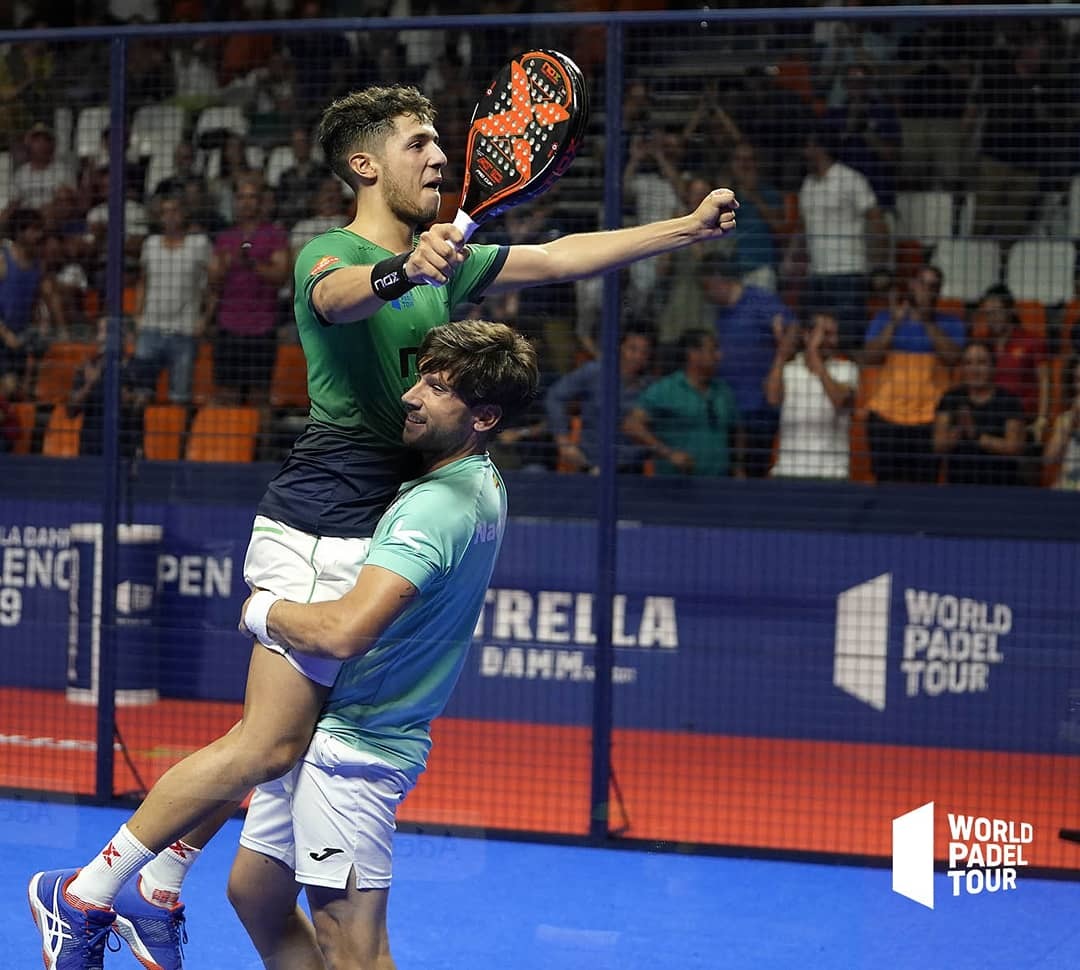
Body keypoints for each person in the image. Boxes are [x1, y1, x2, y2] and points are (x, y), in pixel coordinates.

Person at [27, 83, 737, 970]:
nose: (440, 157)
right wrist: (410, 269)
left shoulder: (450, 257)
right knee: (273, 740)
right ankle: (87, 890)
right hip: (323, 516)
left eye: (443, 144)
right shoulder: (331, 251)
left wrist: (683, 228)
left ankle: (162, 881)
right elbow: (339, 299)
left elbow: (558, 258)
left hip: (369, 520)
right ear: (365, 164)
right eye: (420, 143)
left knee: (285, 744)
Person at [226, 318, 537, 970]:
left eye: (436, 388)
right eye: (420, 378)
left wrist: (262, 610)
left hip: (356, 749)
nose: (410, 397)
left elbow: (344, 632)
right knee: (254, 892)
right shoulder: (476, 479)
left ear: (482, 417)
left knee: (353, 949)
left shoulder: (437, 507)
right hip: (323, 729)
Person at [862, 264, 964, 483]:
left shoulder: (951, 323)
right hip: (885, 417)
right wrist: (894, 323)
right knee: (886, 487)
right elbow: (870, 357)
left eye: (933, 286)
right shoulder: (884, 318)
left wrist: (927, 320)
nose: (928, 290)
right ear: (912, 285)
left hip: (929, 420)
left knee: (923, 489)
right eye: (923, 284)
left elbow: (953, 357)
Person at [794, 123, 889, 353]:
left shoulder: (851, 179)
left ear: (819, 148)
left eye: (807, 146)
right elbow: (803, 228)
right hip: (817, 275)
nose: (803, 153)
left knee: (847, 341)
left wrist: (879, 266)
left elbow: (878, 222)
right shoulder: (807, 185)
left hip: (848, 274)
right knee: (814, 341)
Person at [702, 250, 796, 478]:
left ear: (717, 279)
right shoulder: (719, 313)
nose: (706, 294)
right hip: (729, 404)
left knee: (755, 468)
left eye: (706, 287)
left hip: (759, 404)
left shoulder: (758, 300)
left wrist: (780, 359)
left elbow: (792, 327)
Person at [206, 172, 290, 408]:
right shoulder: (225, 237)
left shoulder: (274, 235)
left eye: (252, 197)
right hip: (229, 326)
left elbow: (281, 275)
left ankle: (262, 445)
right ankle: (231, 445)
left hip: (262, 327)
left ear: (261, 201)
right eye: (242, 197)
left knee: (259, 395)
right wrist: (230, 262)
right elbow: (213, 280)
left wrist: (252, 263)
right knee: (226, 394)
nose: (246, 202)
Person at [623, 328, 738, 477]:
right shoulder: (666, 389)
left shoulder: (723, 391)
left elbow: (736, 430)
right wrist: (669, 453)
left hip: (718, 484)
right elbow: (631, 425)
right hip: (676, 486)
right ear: (694, 355)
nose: (719, 356)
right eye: (713, 350)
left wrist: (738, 467)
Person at [132, 194, 212, 404]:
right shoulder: (151, 244)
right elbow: (143, 282)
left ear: (184, 214)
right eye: (165, 212)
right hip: (150, 329)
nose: (170, 216)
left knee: (180, 396)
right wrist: (137, 316)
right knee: (140, 392)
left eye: (174, 211)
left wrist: (204, 319)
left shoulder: (199, 244)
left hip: (184, 331)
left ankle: (178, 437)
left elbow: (214, 285)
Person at [545, 324, 654, 474]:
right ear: (620, 348)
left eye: (644, 352)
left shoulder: (652, 386)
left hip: (633, 471)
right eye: (632, 349)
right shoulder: (595, 372)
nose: (637, 357)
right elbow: (555, 396)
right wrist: (563, 442)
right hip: (591, 468)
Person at [766, 310, 857, 480]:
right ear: (807, 335)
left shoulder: (847, 369)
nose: (834, 341)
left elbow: (840, 400)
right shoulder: (788, 369)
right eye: (826, 334)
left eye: (835, 335)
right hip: (788, 471)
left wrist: (814, 355)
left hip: (832, 473)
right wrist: (781, 354)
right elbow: (772, 398)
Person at [933, 340, 1025, 486]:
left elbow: (1014, 447)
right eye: (968, 363)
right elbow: (938, 445)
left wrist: (976, 435)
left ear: (993, 367)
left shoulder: (1009, 400)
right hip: (959, 485)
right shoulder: (951, 398)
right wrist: (959, 430)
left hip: (1001, 486)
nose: (974, 370)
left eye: (981, 362)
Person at [1043, 355, 1080, 490]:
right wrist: (1072, 421)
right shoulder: (1065, 419)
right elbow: (1049, 459)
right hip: (1069, 491)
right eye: (1078, 380)